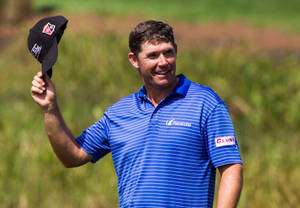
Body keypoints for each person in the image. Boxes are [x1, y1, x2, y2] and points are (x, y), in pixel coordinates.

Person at [31, 20, 243, 208]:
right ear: (134, 60)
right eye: (152, 55)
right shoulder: (118, 113)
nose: (163, 62)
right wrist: (50, 109)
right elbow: (73, 155)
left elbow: (231, 168)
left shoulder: (205, 103)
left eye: (168, 52)